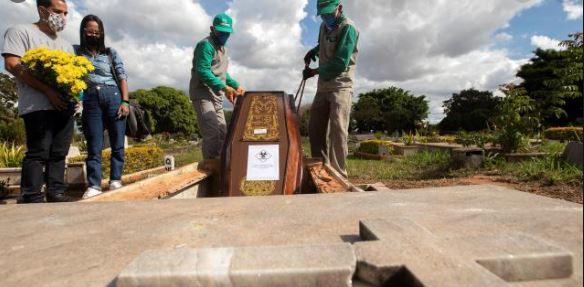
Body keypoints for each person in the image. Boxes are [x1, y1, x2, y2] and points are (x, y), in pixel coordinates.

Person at [2, 0, 74, 203]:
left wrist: (76, 99)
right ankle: (31, 195)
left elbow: (75, 76)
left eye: (66, 13)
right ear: (42, 10)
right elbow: (12, 63)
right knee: (38, 151)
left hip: (64, 106)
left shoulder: (65, 44)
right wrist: (47, 90)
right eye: (58, 12)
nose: (63, 17)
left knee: (59, 152)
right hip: (37, 105)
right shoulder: (20, 32)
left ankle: (56, 192)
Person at [75, 15, 130, 199]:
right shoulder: (76, 53)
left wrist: (125, 101)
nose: (93, 34)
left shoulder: (110, 53)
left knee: (117, 142)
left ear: (101, 33)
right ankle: (94, 185)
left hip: (113, 96)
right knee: (94, 143)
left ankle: (115, 179)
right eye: (89, 31)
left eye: (96, 32)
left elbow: (122, 77)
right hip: (90, 99)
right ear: (83, 31)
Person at [303, 0, 359, 178]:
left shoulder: (348, 28)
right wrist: (314, 50)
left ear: (339, 8)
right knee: (315, 128)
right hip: (323, 86)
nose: (326, 17)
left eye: (329, 13)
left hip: (340, 86)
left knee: (337, 131)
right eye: (323, 14)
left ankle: (338, 174)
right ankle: (320, 170)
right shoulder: (323, 26)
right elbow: (325, 43)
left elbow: (340, 62)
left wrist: (314, 71)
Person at [189, 13, 244, 160]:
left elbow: (222, 74)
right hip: (203, 93)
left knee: (222, 132)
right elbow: (202, 70)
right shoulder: (205, 45)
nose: (224, 35)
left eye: (227, 33)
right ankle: (210, 168)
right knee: (212, 132)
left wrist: (236, 85)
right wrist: (225, 88)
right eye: (221, 32)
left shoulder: (223, 49)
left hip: (216, 94)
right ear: (212, 29)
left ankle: (220, 164)